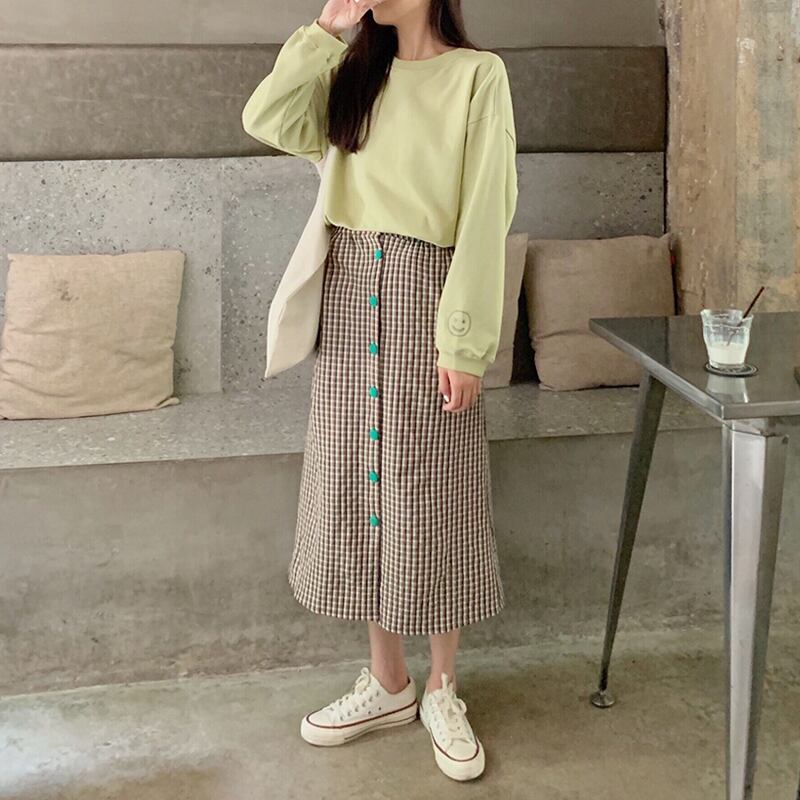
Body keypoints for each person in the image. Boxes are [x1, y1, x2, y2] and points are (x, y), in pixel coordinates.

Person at [241, 0, 517, 782]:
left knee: (434, 489)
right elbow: (266, 118)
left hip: (429, 293)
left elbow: (487, 209)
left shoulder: (478, 76)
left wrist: (463, 343)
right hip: (349, 292)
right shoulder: (354, 73)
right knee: (361, 486)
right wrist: (324, 33)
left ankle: (443, 688)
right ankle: (388, 681)